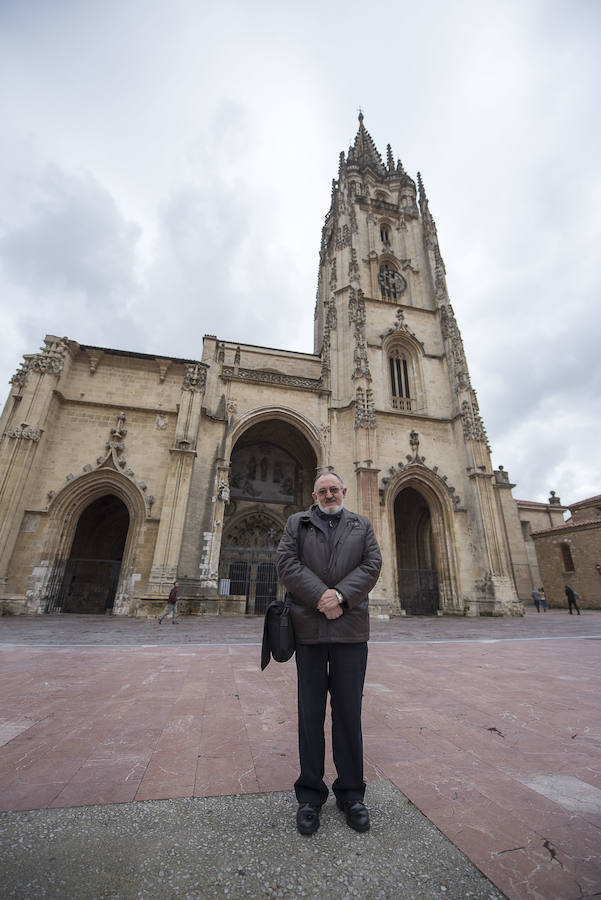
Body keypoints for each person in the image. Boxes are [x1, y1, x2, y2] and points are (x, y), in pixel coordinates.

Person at [276, 472, 382, 836]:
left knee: (349, 714)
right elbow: (287, 563)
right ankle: (310, 796)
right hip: (308, 632)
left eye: (334, 489)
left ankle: (352, 794)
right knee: (310, 714)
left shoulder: (361, 525)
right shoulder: (297, 523)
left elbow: (371, 565)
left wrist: (339, 597)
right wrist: (321, 595)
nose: (328, 494)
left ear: (344, 492)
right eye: (322, 490)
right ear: (314, 495)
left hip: (351, 631)